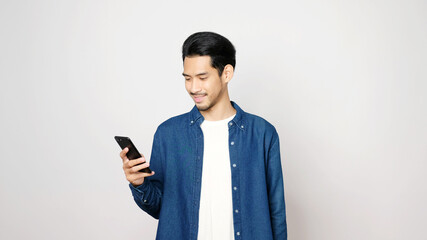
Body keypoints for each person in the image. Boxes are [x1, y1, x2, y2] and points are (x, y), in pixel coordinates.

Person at [119, 31, 287, 240]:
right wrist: (139, 184)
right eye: (188, 79)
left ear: (226, 73)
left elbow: (276, 211)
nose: (193, 88)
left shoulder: (262, 133)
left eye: (202, 77)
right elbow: (160, 208)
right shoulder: (168, 134)